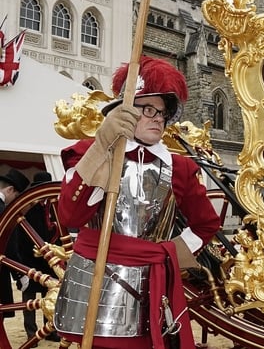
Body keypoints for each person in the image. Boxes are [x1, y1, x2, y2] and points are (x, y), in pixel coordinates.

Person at [52, 56, 220, 349]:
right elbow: (70, 215)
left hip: (153, 286)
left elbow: (206, 224)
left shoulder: (179, 167)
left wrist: (168, 257)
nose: (158, 118)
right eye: (148, 109)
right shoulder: (88, 152)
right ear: (125, 111)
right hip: (96, 286)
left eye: (163, 112)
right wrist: (103, 145)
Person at [11, 171, 61, 342]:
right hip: (31, 259)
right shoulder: (28, 208)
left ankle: (50, 330)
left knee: (51, 296)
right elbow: (20, 235)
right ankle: (31, 333)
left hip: (51, 261)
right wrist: (22, 264)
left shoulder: (55, 207)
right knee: (30, 299)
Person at [0, 168, 30, 320]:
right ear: (10, 190)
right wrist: (20, 273)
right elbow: (9, 247)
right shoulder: (3, 211)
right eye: (17, 196)